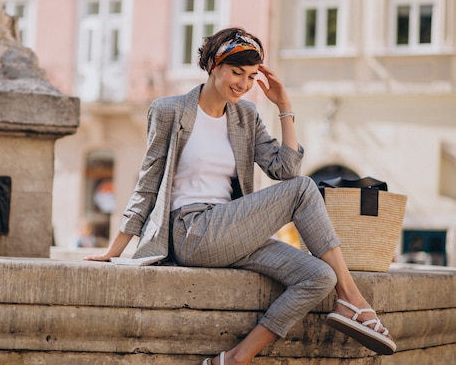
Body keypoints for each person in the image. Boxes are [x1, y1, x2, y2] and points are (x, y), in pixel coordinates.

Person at [84, 27, 396, 364]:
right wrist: (114, 250)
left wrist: (284, 107)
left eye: (250, 76)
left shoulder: (246, 116)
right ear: (214, 65)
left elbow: (285, 171)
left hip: (231, 229)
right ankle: (353, 300)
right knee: (305, 189)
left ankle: (234, 358)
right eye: (236, 73)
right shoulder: (169, 110)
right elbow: (147, 184)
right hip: (191, 230)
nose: (244, 85)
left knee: (319, 276)